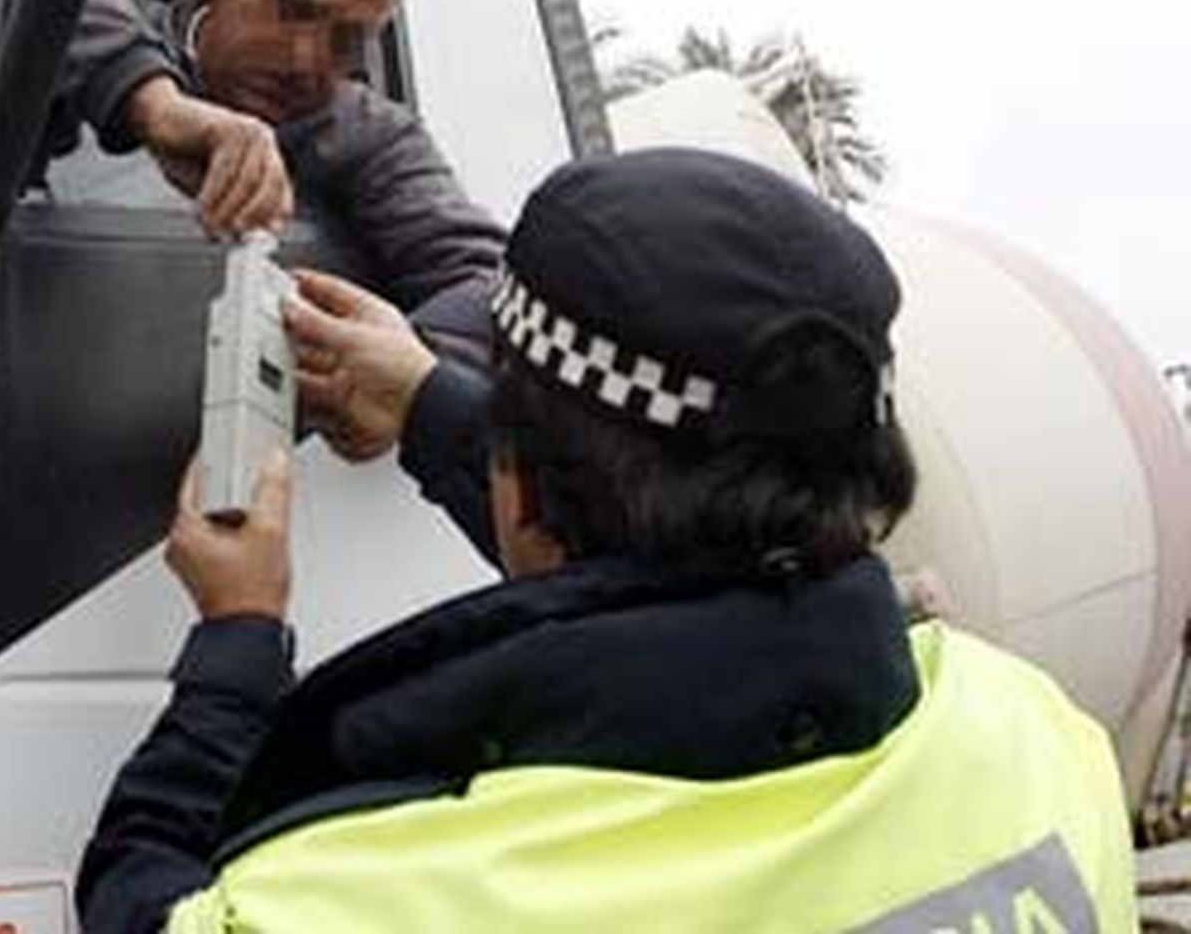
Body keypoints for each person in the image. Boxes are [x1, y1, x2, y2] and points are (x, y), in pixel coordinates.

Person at [78, 148, 1138, 932]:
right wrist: (438, 406)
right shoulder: (1039, 738)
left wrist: (237, 638)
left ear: (523, 486)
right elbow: (688, 571)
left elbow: (144, 898)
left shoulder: (381, 896)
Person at [48, 0, 504, 327]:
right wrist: (153, 104)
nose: (306, 61)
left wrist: (392, 361)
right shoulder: (105, 28)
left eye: (347, 39)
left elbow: (487, 291)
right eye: (293, 9)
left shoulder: (369, 136)